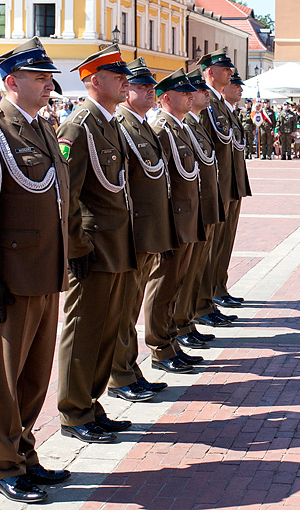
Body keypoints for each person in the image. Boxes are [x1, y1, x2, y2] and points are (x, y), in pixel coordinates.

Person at [0, 38, 71, 503]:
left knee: (34, 376)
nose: (49, 86)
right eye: (40, 79)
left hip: (46, 272)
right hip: (10, 275)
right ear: (11, 82)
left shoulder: (44, 128)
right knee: (4, 380)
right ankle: (2, 465)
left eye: (49, 79)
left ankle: (24, 452)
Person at [56, 45, 138, 444]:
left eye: (124, 76)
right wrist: (75, 247)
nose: (126, 81)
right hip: (92, 247)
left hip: (117, 243)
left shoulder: (108, 123)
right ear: (93, 81)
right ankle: (74, 411)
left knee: (106, 330)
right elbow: (66, 195)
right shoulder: (78, 126)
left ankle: (91, 402)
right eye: (117, 76)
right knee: (84, 330)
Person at [107, 59, 173, 404]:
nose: (150, 91)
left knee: (130, 309)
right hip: (131, 234)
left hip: (147, 232)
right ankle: (121, 374)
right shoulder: (122, 126)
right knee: (123, 311)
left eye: (151, 87)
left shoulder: (142, 126)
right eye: (142, 86)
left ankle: (129, 369)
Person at [146, 69, 206, 373]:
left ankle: (171, 343)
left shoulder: (179, 127)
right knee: (163, 285)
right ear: (166, 98)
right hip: (174, 222)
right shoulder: (161, 128)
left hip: (186, 220)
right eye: (184, 93)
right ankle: (159, 348)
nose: (190, 96)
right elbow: (162, 184)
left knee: (175, 285)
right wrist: (165, 228)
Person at [176, 67, 229, 346]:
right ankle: (177, 330)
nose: (201, 95)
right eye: (195, 91)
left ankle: (188, 320)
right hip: (184, 213)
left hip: (202, 204)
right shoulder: (170, 127)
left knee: (196, 268)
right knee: (176, 278)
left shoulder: (192, 123)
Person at [198, 52, 248, 319]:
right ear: (210, 72)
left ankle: (216, 288)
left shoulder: (218, 105)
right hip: (217, 186)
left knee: (222, 244)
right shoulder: (207, 104)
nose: (231, 75)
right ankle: (206, 298)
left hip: (229, 184)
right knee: (210, 248)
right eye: (225, 70)